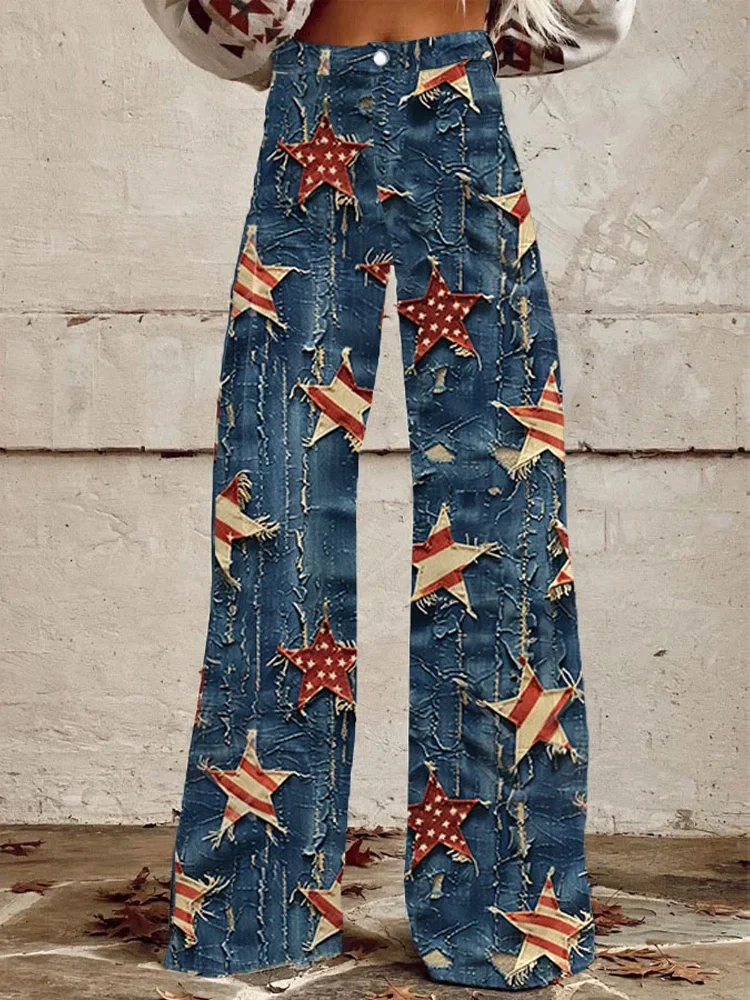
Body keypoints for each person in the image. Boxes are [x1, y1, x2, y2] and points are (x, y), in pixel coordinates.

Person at [142, 0, 636, 990]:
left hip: (453, 98)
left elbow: (595, 13)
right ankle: (255, 906)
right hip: (315, 106)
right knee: (272, 501)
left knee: (501, 502)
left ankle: (505, 907)